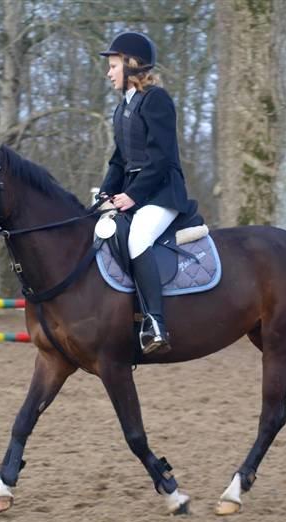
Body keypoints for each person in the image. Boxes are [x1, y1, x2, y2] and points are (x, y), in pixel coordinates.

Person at [99, 31, 193, 355]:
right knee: (101, 228)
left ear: (131, 65)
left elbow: (160, 158)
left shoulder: (157, 99)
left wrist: (133, 195)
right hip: (136, 193)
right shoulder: (121, 108)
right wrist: (105, 194)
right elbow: (118, 160)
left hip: (163, 193)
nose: (109, 72)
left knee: (138, 238)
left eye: (113, 65)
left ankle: (155, 322)